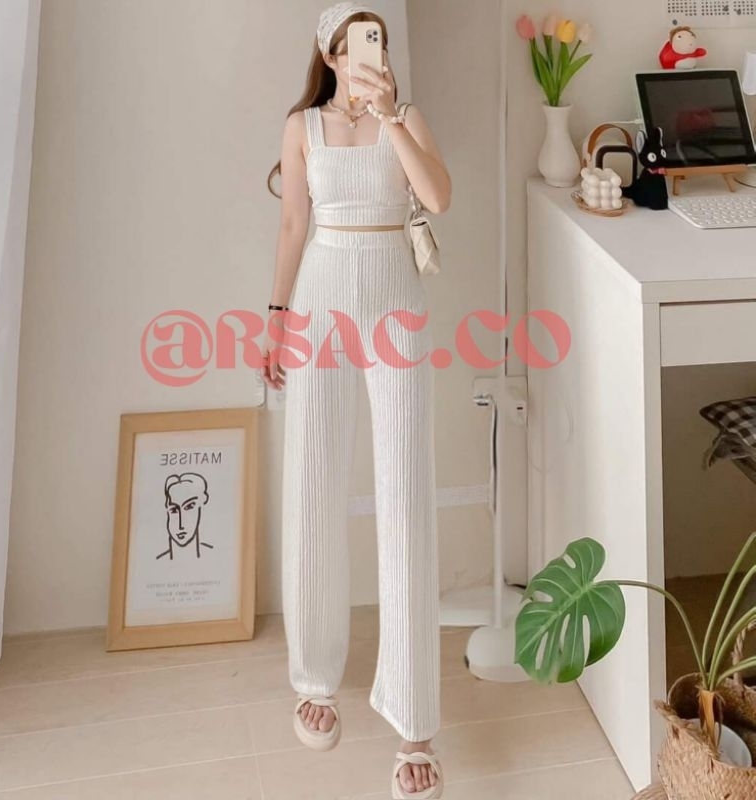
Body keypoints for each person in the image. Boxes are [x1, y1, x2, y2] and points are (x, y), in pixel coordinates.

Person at [263, 3, 450, 797]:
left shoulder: (406, 117)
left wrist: (392, 117)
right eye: (356, 44)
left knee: (405, 497)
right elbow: (292, 226)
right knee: (313, 486)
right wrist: (275, 319)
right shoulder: (302, 127)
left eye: (379, 40)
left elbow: (438, 197)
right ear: (332, 55)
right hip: (318, 300)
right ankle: (315, 679)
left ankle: (414, 723)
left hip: (394, 305)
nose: (371, 52)